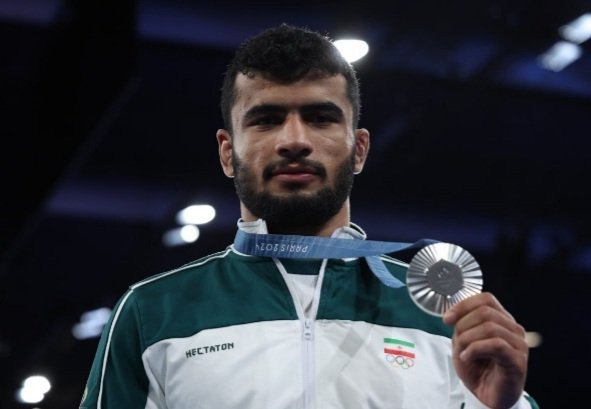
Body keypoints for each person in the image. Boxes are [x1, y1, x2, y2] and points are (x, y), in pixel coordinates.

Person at [80, 24, 539, 409]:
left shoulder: (444, 314)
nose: (294, 140)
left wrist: (501, 406)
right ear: (227, 152)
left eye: (320, 118)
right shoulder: (152, 311)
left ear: (359, 149)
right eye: (266, 119)